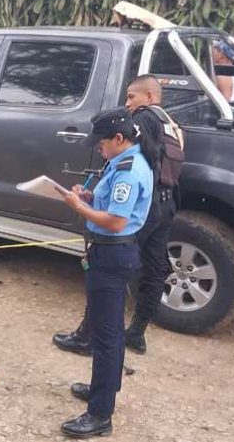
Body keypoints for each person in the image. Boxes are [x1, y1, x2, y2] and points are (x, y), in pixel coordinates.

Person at [53, 75, 183, 355]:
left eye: (131, 97)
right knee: (154, 268)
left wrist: (89, 200)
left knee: (109, 271)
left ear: (149, 96)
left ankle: (89, 336)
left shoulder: (144, 119)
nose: (128, 104)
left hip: (142, 207)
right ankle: (136, 332)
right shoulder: (170, 122)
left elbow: (120, 156)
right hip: (166, 203)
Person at [55, 108, 153, 438]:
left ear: (120, 139)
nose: (99, 148)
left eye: (102, 142)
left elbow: (115, 221)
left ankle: (100, 415)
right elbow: (108, 201)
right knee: (103, 330)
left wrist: (78, 207)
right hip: (110, 252)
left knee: (107, 337)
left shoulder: (128, 170)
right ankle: (103, 389)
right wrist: (88, 196)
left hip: (113, 254)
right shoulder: (122, 160)